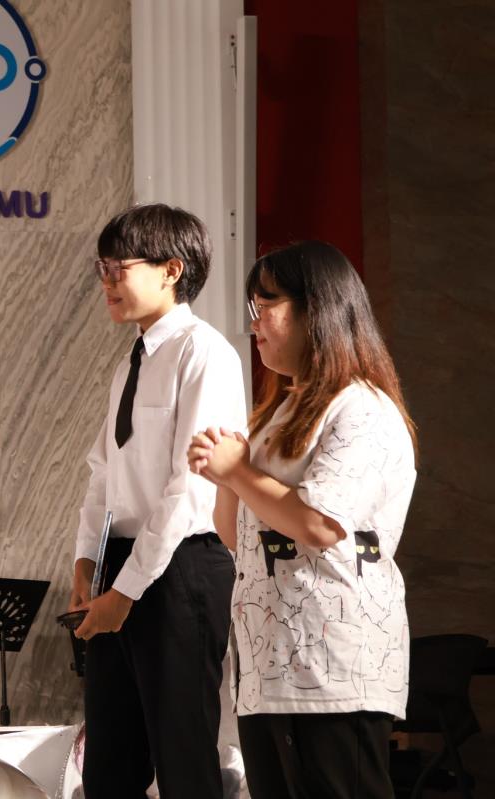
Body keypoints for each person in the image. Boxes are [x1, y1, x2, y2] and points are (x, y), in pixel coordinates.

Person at [187, 241, 417, 798]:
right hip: (269, 669)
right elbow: (236, 535)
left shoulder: (362, 407)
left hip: (334, 666)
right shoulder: (280, 410)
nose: (254, 323)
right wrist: (224, 474)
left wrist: (239, 471)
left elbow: (318, 524)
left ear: (316, 310)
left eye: (265, 306)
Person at [70, 203, 247, 798]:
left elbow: (190, 487)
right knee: (109, 767)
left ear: (172, 269)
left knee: (184, 763)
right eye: (101, 268)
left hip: (181, 570)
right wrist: (87, 566)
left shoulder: (204, 353)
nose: (106, 282)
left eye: (118, 268)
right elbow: (103, 471)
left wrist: (125, 593)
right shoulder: (132, 361)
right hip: (120, 566)